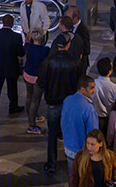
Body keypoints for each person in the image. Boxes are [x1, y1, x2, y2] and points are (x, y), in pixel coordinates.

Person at [38, 33, 83, 174]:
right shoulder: (75, 62)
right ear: (68, 45)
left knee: (52, 135)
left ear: (57, 45)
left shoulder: (48, 62)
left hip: (53, 103)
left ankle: (51, 164)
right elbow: (79, 84)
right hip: (70, 104)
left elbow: (41, 82)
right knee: (71, 133)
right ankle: (73, 161)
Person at [24, 28, 51, 135]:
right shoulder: (45, 50)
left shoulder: (28, 47)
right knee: (35, 101)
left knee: (29, 97)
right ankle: (32, 124)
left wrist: (28, 39)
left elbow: (25, 45)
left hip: (27, 75)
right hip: (37, 78)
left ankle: (30, 115)